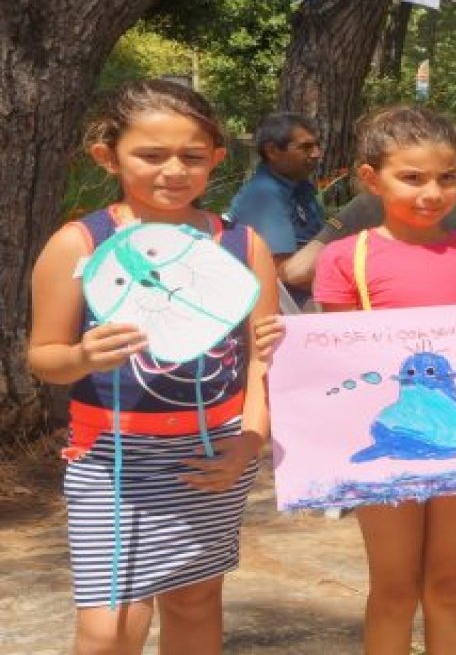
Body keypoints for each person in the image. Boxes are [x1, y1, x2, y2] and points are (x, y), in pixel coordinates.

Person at [26, 79, 277, 654]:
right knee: (108, 625)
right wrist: (83, 356)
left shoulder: (241, 247)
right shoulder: (79, 245)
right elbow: (44, 358)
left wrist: (251, 441)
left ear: (216, 159)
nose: (173, 170)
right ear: (107, 156)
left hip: (212, 457)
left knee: (195, 600)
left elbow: (265, 356)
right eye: (150, 154)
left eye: (192, 157)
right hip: (111, 462)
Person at [307, 105, 456, 655]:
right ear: (371, 179)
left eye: (447, 178)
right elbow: (342, 360)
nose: (431, 192)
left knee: (450, 586)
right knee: (393, 589)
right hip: (390, 443)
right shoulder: (344, 258)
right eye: (412, 178)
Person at [227, 112, 325, 302]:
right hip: (285, 309)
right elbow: (281, 271)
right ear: (272, 151)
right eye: (305, 147)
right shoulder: (264, 194)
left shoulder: (301, 188)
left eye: (316, 145)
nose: (316, 153)